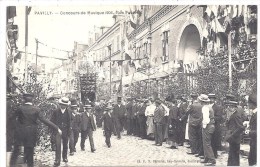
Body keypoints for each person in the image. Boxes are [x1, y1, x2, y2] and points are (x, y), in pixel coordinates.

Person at [9, 93, 61, 167]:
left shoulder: (20, 108)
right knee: (30, 153)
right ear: (32, 100)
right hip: (31, 133)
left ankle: (12, 165)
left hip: (20, 132)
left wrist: (16, 127)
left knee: (16, 150)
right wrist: (56, 127)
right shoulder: (36, 109)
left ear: (24, 100)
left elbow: (11, 119)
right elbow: (44, 120)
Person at [51, 97, 72, 167]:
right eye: (62, 104)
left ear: (67, 105)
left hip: (66, 130)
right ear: (60, 104)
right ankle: (57, 160)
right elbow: (52, 121)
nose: (63, 106)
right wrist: (56, 129)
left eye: (65, 105)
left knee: (65, 144)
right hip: (58, 130)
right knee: (58, 145)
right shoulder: (55, 111)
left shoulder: (69, 111)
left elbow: (70, 121)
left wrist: (69, 129)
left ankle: (65, 157)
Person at [225, 99, 245, 166]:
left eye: (231, 107)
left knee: (234, 156)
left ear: (234, 107)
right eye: (229, 106)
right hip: (233, 139)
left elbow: (241, 127)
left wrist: (232, 135)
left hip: (235, 139)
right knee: (232, 155)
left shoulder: (236, 115)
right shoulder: (232, 114)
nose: (229, 108)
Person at [198, 94, 216, 166]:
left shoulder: (205, 108)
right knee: (206, 143)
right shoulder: (209, 107)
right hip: (211, 126)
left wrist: (204, 126)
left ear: (202, 101)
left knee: (207, 144)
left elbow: (206, 120)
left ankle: (212, 160)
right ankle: (207, 158)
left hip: (208, 126)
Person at [208, 93, 223, 158]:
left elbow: (219, 117)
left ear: (214, 99)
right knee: (208, 141)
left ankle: (214, 154)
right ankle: (208, 154)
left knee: (214, 140)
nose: (211, 100)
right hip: (207, 125)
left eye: (212, 98)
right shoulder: (207, 106)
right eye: (210, 98)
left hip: (215, 125)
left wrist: (211, 118)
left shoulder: (217, 107)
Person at [246, 93, 257, 166]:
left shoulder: (257, 114)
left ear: (252, 104)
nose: (247, 105)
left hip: (256, 142)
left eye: (248, 103)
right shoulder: (254, 113)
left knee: (253, 161)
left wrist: (249, 132)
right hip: (254, 141)